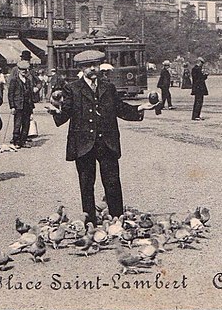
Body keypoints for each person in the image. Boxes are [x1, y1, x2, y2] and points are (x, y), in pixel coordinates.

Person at [46, 49, 157, 224]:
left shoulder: (108, 87)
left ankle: (117, 219)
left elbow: (119, 108)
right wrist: (56, 111)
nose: (93, 69)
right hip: (83, 144)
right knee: (86, 184)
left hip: (107, 142)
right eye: (88, 66)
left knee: (112, 182)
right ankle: (90, 221)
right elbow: (65, 112)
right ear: (82, 68)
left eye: (95, 65)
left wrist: (139, 109)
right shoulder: (72, 88)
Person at [7, 59, 36, 149]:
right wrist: (12, 106)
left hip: (27, 105)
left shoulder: (28, 81)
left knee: (26, 124)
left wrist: (32, 106)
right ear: (18, 70)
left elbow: (30, 94)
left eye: (26, 70)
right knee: (17, 124)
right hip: (18, 105)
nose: (24, 72)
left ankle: (23, 141)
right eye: (22, 70)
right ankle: (15, 141)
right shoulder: (14, 80)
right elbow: (10, 94)